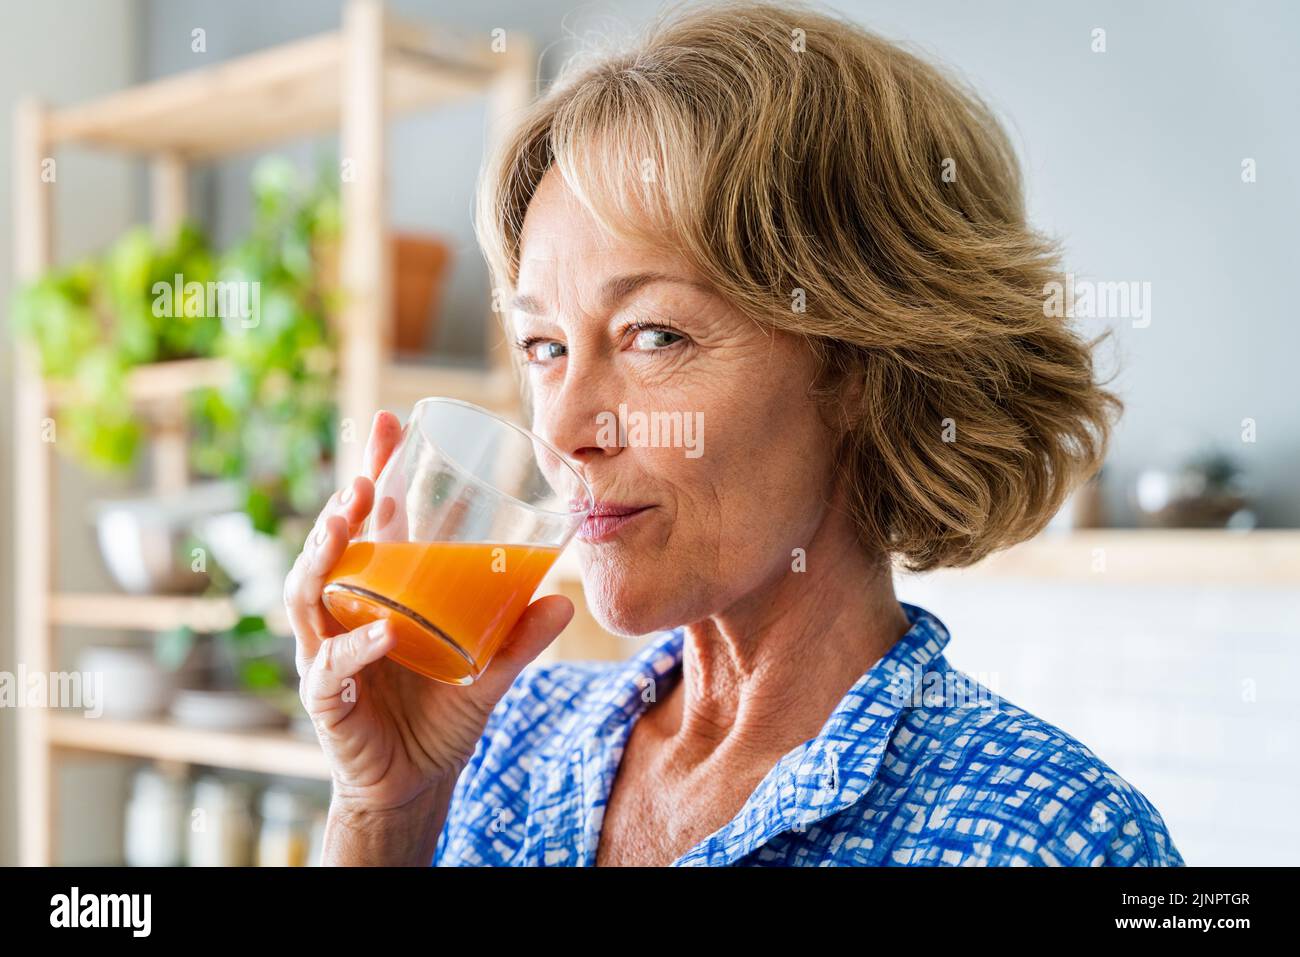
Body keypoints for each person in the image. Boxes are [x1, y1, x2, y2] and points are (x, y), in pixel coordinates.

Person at [285, 0, 1184, 866]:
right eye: (544, 346)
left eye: (654, 335)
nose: (560, 428)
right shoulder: (499, 741)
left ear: (862, 367)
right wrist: (382, 817)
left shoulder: (1055, 835)